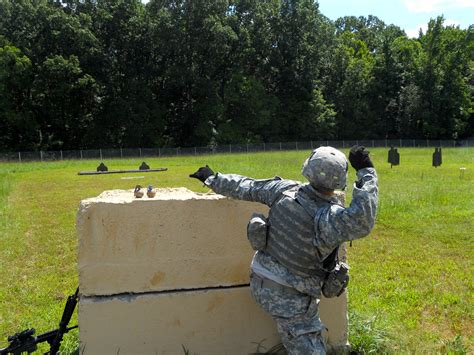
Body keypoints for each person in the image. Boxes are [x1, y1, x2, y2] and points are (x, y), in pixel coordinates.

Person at [189, 145, 378, 354]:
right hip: (289, 301)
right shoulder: (330, 218)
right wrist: (366, 171)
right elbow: (362, 220)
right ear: (340, 179)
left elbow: (247, 187)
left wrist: (212, 178)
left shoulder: (284, 190)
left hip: (259, 282)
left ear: (308, 167)